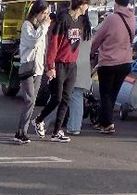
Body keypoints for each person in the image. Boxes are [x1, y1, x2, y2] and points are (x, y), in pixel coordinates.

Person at [33, 0, 89, 142]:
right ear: (80, 4)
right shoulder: (63, 19)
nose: (87, 7)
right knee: (57, 98)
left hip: (72, 64)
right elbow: (54, 42)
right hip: (59, 64)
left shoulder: (80, 21)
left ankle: (56, 131)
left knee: (66, 98)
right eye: (86, 4)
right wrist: (50, 66)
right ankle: (39, 119)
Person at [90, 0, 135, 135]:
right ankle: (104, 120)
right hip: (125, 61)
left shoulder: (111, 19)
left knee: (105, 94)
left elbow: (98, 38)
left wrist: (91, 51)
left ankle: (107, 123)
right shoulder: (132, 18)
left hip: (109, 62)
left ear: (116, 3)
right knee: (113, 94)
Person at [14, 0, 50, 143]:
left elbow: (43, 48)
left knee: (32, 101)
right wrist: (44, 27)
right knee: (29, 99)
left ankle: (23, 130)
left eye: (47, 13)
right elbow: (33, 42)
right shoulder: (27, 25)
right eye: (44, 13)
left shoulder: (42, 27)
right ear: (37, 12)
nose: (46, 16)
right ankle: (20, 131)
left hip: (39, 68)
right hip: (28, 66)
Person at [65, 28, 91, 134]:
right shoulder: (87, 30)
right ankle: (74, 126)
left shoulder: (75, 29)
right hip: (84, 64)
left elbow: (71, 48)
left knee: (70, 95)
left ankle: (43, 121)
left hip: (74, 64)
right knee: (77, 95)